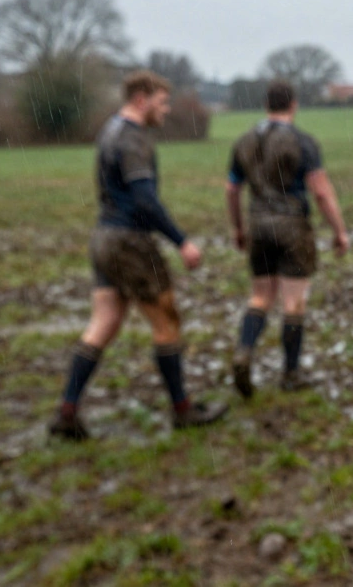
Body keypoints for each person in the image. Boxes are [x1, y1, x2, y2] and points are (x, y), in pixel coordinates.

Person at [50, 71, 228, 440]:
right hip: (130, 241)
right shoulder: (133, 140)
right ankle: (183, 410)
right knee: (167, 321)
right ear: (142, 98)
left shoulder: (109, 130)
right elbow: (146, 200)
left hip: (104, 238)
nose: (166, 110)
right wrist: (182, 241)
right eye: (162, 103)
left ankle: (66, 414)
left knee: (105, 323)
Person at [226, 80, 349, 397]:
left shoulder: (244, 141)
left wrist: (238, 228)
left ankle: (244, 350)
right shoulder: (303, 142)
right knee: (293, 301)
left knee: (261, 297)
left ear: (266, 105)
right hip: (293, 225)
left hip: (258, 224)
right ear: (293, 105)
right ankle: (291, 374)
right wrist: (339, 231)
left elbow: (231, 189)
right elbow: (321, 192)